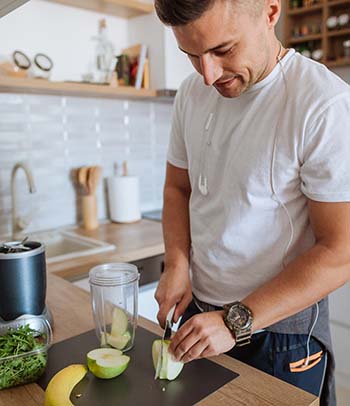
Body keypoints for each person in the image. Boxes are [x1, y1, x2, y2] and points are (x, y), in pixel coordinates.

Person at [153, 1, 350, 405]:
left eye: (223, 50)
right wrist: (176, 263)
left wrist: (234, 320)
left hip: (281, 336)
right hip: (200, 316)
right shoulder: (192, 93)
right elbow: (178, 189)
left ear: (271, 12)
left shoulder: (322, 102)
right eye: (192, 56)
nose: (208, 75)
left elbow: (340, 250)